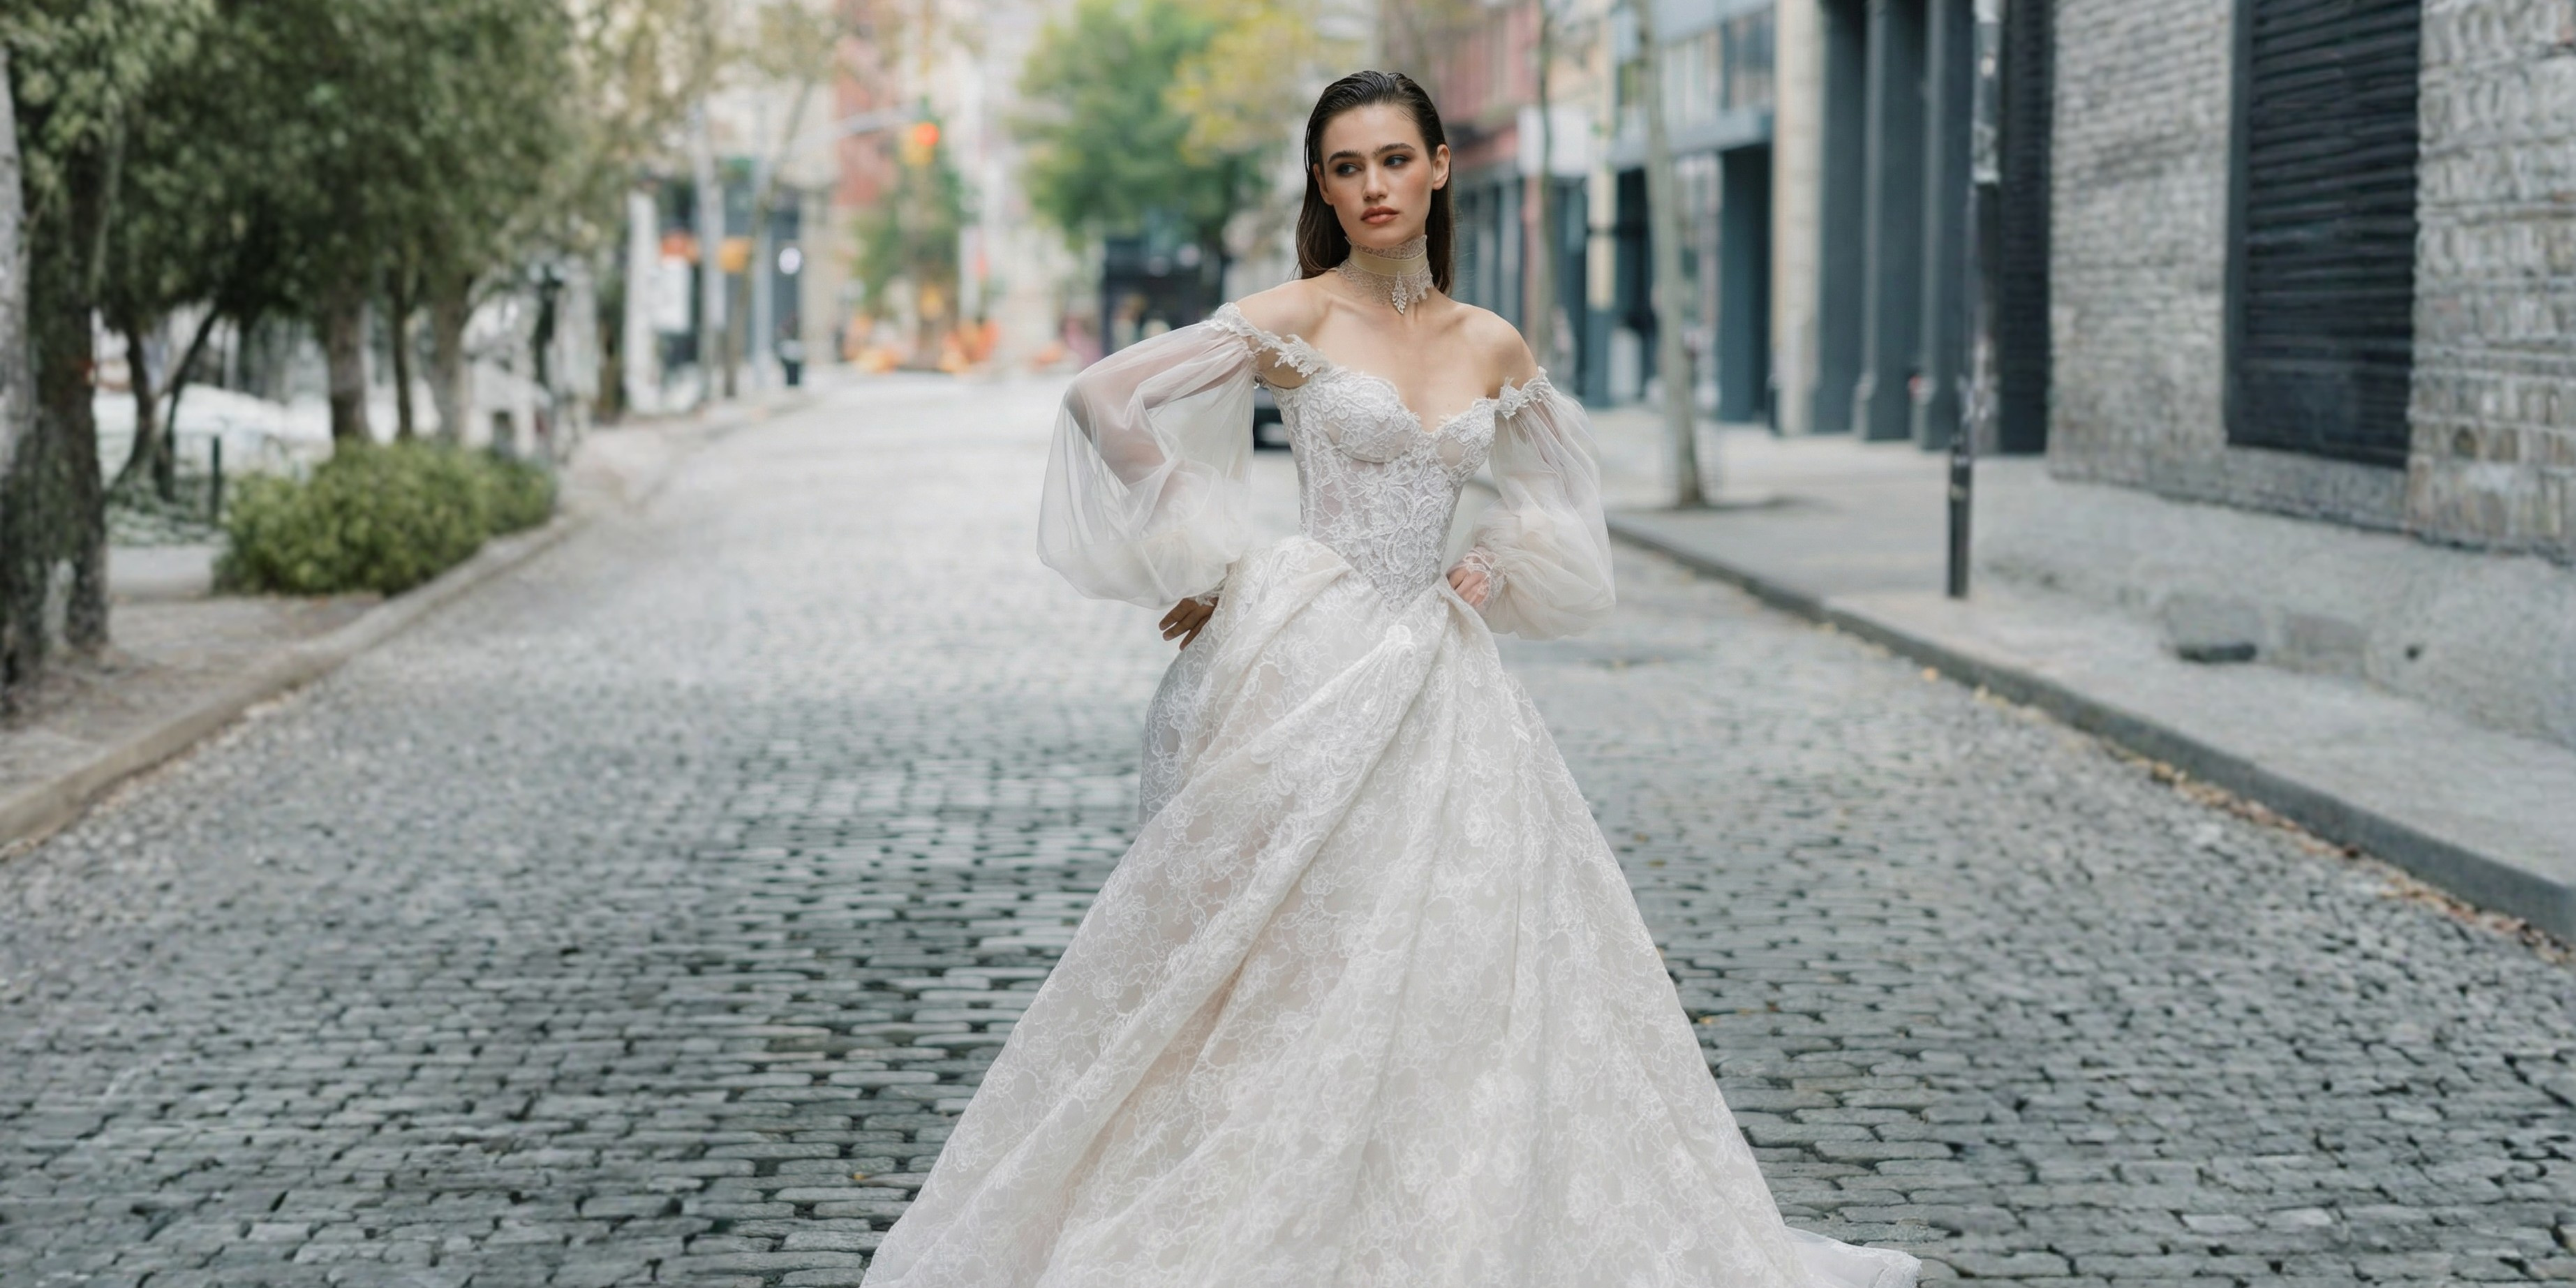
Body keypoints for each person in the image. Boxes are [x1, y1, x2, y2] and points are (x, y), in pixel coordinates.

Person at [863, 71, 1923, 1288]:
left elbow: (1559, 503)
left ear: (1438, 168)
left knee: (1465, 950)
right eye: (1344, 166)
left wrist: (1499, 556)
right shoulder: (1300, 316)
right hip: (1303, 656)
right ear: (1321, 185)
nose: (1371, 186)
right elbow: (1105, 397)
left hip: (1440, 677)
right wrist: (1205, 555)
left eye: (1390, 160)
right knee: (1283, 955)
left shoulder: (1491, 342)